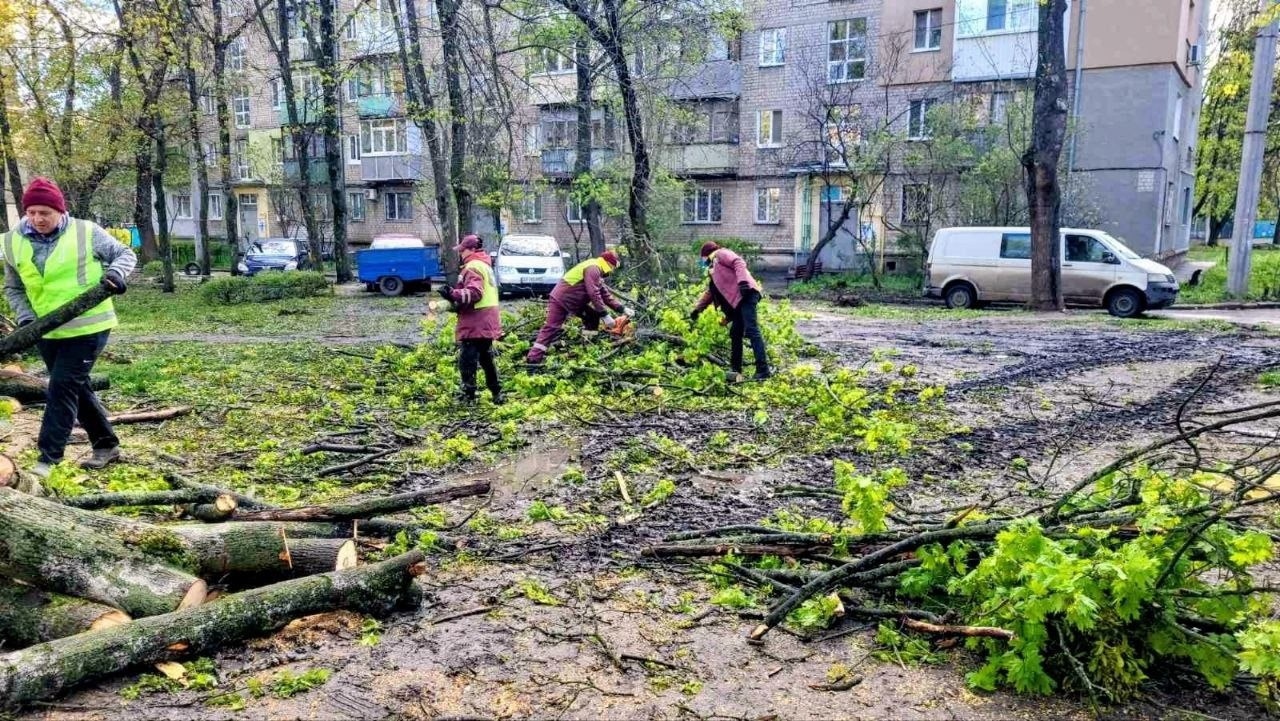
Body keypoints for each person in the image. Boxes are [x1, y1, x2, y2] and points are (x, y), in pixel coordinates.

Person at [3, 177, 135, 478]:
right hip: (45, 331)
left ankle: (47, 460)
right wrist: (26, 320)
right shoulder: (11, 242)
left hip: (89, 327)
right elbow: (14, 288)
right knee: (77, 387)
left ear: (60, 211)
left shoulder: (86, 232)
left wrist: (115, 274)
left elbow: (126, 254)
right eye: (32, 212)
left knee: (62, 386)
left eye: (45, 213)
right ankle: (106, 444)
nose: (38, 219)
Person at [525, 250, 632, 365]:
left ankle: (587, 346)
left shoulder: (597, 269)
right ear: (609, 264)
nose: (612, 270)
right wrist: (605, 315)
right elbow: (593, 293)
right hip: (562, 299)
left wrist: (622, 309)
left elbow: (604, 294)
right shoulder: (593, 268)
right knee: (551, 327)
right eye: (613, 267)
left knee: (592, 317)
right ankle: (533, 360)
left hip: (574, 302)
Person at [690, 241, 770, 380]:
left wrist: (742, 282)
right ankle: (735, 369)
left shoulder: (721, 254)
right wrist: (698, 309)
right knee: (735, 333)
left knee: (751, 330)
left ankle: (763, 370)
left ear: (706, 254)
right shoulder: (713, 270)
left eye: (702, 258)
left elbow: (738, 262)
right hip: (738, 302)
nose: (702, 261)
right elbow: (711, 292)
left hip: (747, 293)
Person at [438, 234, 502, 404]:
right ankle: (496, 392)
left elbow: (475, 293)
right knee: (487, 358)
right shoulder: (484, 265)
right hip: (488, 319)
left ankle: (469, 395)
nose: (461, 254)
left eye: (463, 250)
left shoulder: (472, 266)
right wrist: (454, 297)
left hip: (476, 320)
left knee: (467, 359)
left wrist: (453, 294)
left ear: (472, 250)